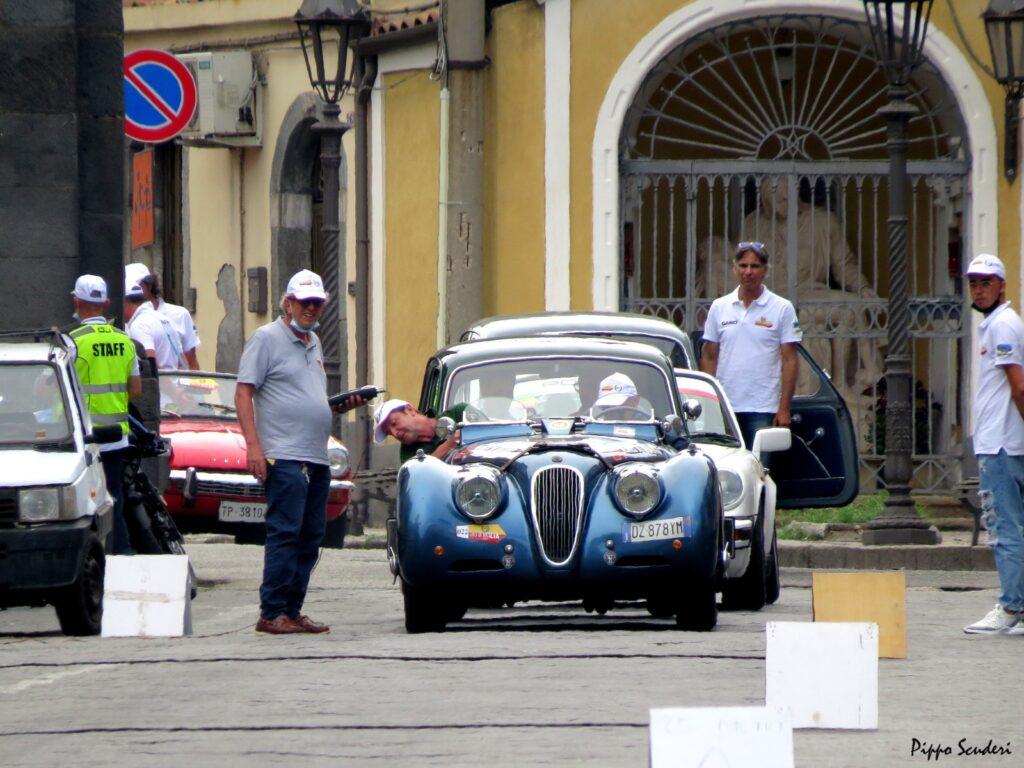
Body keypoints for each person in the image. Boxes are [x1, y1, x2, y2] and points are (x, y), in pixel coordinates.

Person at [235, 269, 358, 635]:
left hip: (315, 456)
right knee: (286, 532)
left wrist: (334, 407)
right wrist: (253, 447)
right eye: (304, 303)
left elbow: (304, 398)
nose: (311, 309)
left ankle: (291, 610)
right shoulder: (266, 338)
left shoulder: (313, 341)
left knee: (311, 535)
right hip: (284, 454)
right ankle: (271, 612)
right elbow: (243, 393)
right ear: (288, 303)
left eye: (317, 303)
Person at [962, 254, 1024, 635]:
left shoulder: (1002, 326)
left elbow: (1018, 386)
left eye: (986, 283)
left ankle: (1011, 605)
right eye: (974, 283)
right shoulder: (1002, 324)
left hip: (1000, 443)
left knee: (1004, 529)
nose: (979, 290)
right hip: (1004, 441)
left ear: (1002, 286)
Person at [700, 241, 802, 452]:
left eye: (754, 266)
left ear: (765, 270)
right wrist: (710, 402)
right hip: (725, 407)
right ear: (735, 268)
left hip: (763, 407)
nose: (748, 272)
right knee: (726, 466)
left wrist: (784, 408)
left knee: (759, 467)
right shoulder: (719, 307)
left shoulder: (782, 308)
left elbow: (790, 360)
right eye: (743, 265)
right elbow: (709, 356)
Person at [67, 275, 141, 555]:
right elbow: (136, 390)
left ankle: (91, 558)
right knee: (114, 497)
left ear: (76, 301)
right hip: (117, 438)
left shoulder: (73, 342)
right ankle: (120, 552)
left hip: (83, 440)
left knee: (85, 505)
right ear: (107, 303)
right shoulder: (124, 340)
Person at [125, 263, 201, 370]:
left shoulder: (179, 315)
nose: (136, 291)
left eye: (138, 285)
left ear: (149, 285)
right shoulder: (130, 320)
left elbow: (190, 363)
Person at [373, 399, 466, 463]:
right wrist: (451, 443)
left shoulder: (458, 413)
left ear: (410, 410)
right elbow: (421, 473)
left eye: (394, 423)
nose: (395, 433)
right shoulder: (408, 454)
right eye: (389, 433)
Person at [124, 276, 186, 371]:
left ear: (125, 303)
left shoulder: (139, 325)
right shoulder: (165, 319)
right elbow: (182, 363)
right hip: (174, 379)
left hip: (160, 380)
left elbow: (149, 364)